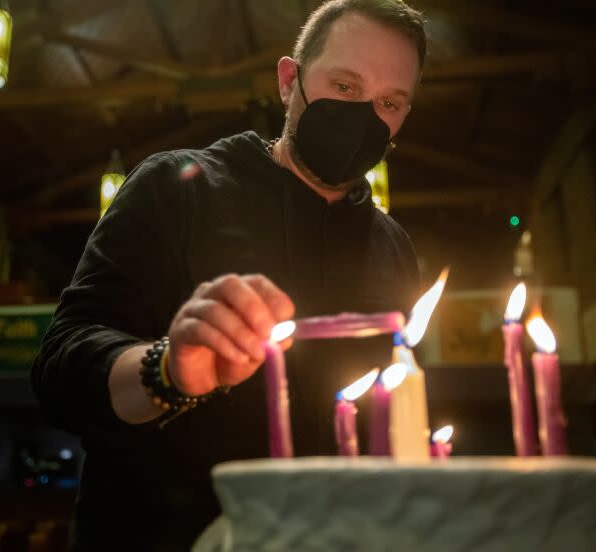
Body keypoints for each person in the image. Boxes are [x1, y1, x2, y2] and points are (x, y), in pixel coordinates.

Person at [32, 0, 426, 549]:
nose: (364, 116)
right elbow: (59, 373)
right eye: (344, 85)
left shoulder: (393, 246)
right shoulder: (177, 188)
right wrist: (168, 368)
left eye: (389, 101)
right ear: (290, 82)